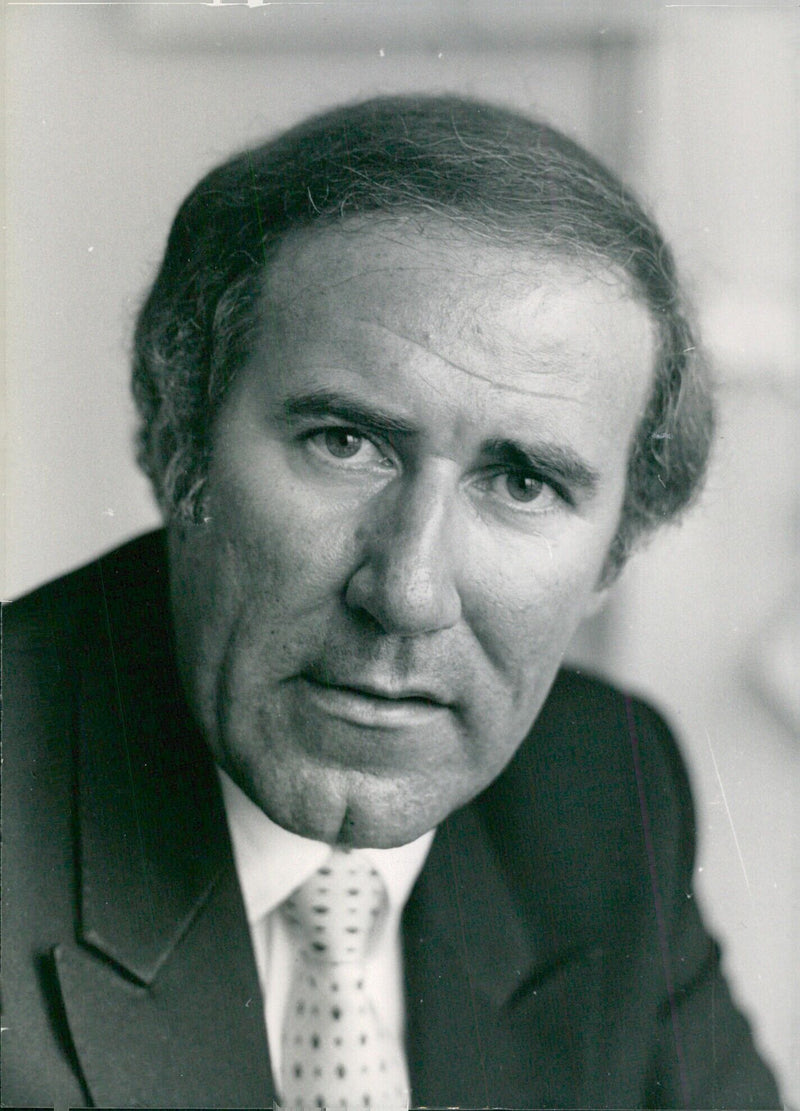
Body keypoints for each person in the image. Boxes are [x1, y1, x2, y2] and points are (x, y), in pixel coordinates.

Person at [1, 95, 782, 1110]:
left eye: (521, 483)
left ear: (612, 557)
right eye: (343, 440)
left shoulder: (599, 794)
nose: (407, 594)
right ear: (176, 444)